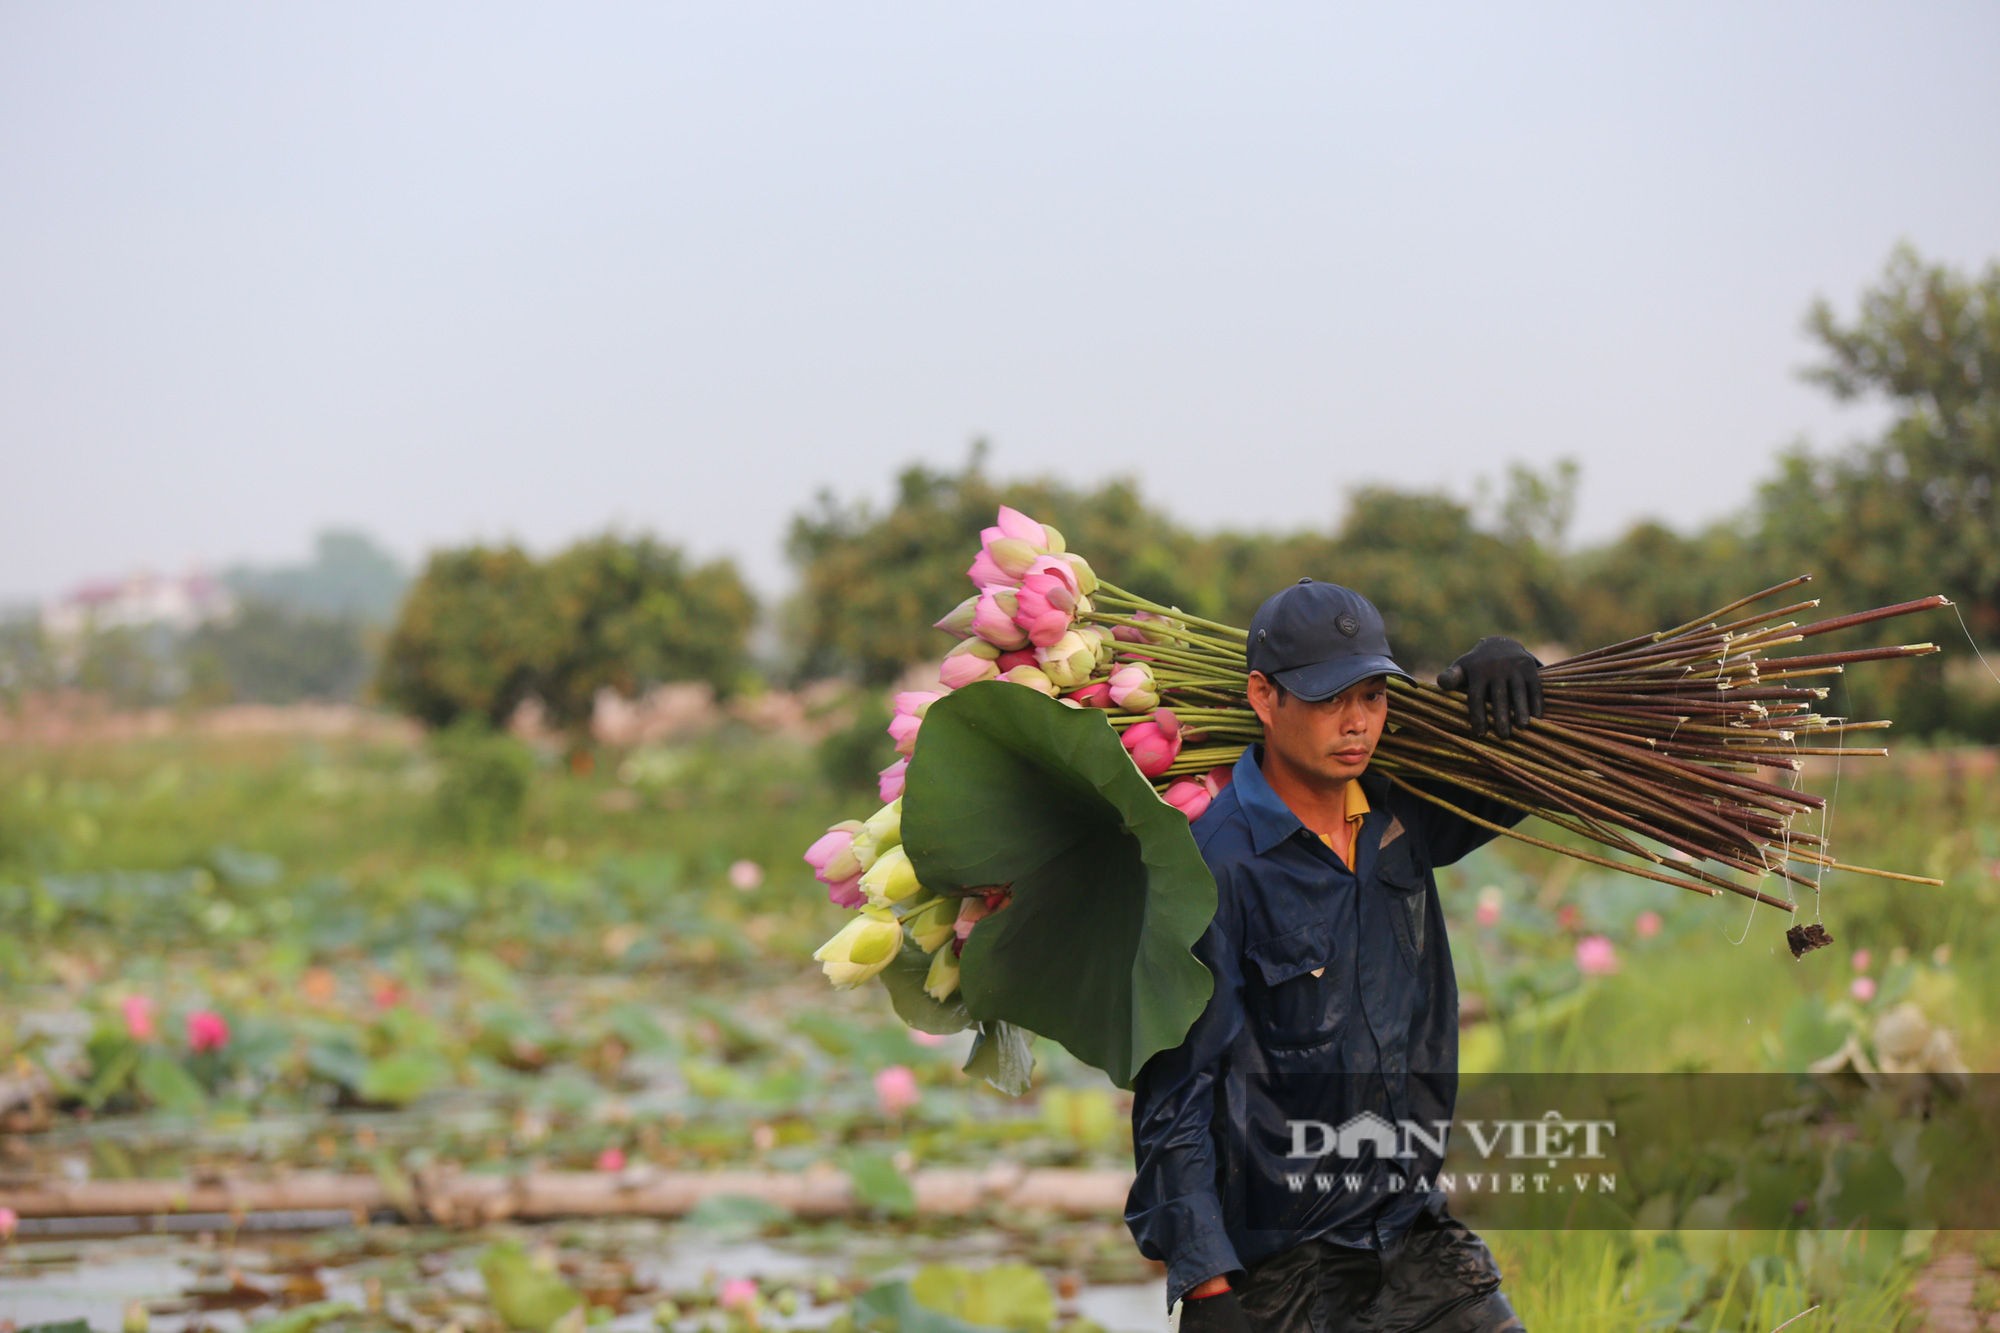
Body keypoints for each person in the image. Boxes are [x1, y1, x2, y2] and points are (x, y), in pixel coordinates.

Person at [1124, 579, 1542, 1333]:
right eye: (1326, 699)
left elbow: (1530, 777)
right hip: (1279, 1270)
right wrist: (1208, 1287)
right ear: (1263, 695)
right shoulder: (1216, 868)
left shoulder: (1400, 817)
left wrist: (1517, 677)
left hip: (1406, 1233)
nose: (1356, 724)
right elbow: (1175, 1096)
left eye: (1373, 697)